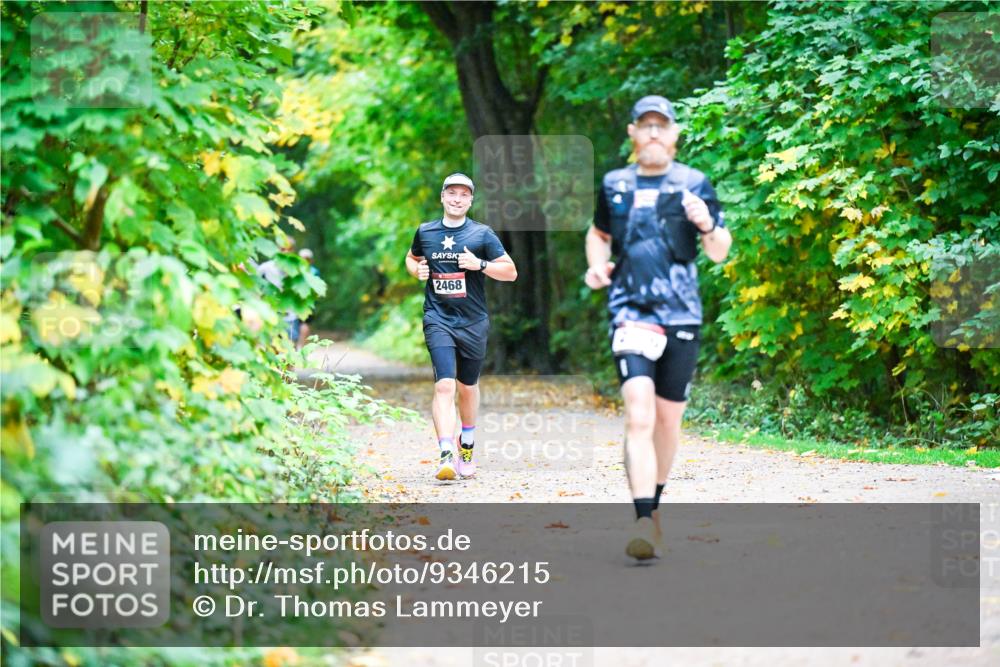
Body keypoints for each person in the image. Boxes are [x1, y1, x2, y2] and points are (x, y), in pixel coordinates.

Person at [585, 95, 733, 560]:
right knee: (639, 415)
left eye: (660, 125)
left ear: (673, 134)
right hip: (631, 311)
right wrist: (597, 265)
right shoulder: (614, 184)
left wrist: (707, 223)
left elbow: (719, 250)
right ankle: (643, 520)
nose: (652, 133)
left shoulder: (694, 183)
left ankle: (656, 504)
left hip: (682, 314)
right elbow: (598, 233)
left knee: (669, 420)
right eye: (644, 125)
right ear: (632, 132)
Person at [405, 173, 518, 480]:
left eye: (463, 194)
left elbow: (510, 272)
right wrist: (417, 270)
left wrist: (480, 265)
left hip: (473, 321)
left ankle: (466, 442)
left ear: (471, 200)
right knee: (444, 384)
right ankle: (445, 453)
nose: (456, 198)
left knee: (467, 388)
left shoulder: (482, 235)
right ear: (442, 197)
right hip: (438, 318)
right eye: (451, 193)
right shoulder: (425, 231)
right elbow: (411, 257)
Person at [297, 248, 321, 349]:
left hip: (295, 301)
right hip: (309, 302)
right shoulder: (315, 271)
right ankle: (301, 346)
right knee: (305, 324)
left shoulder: (295, 270)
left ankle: (295, 346)